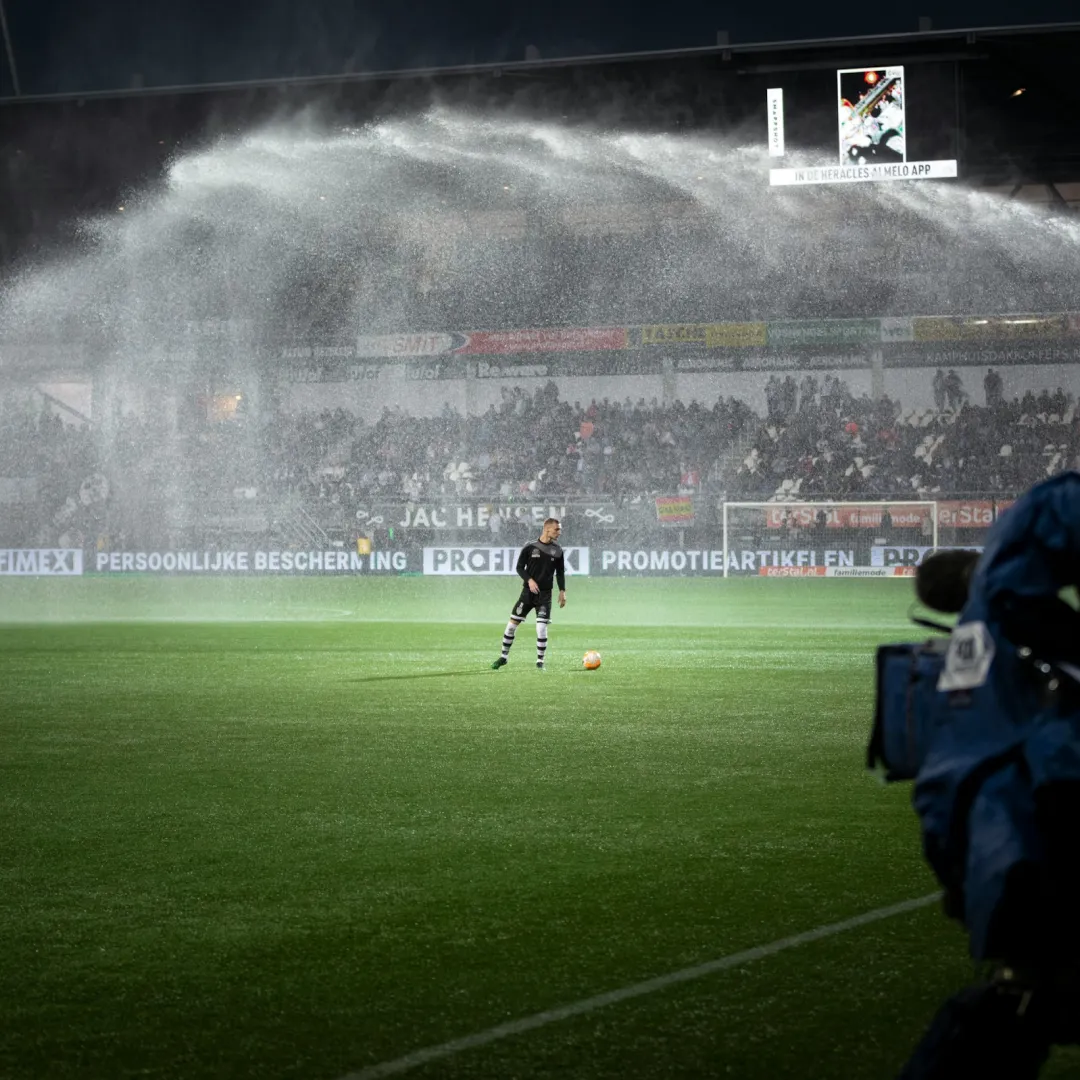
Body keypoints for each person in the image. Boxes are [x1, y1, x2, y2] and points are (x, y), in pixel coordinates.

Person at [897, 472, 1080, 1078]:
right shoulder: (1005, 588)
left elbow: (943, 783)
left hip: (1005, 867)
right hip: (1042, 840)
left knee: (1014, 1005)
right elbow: (1059, 506)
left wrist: (956, 876)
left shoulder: (963, 666)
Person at [491, 517, 566, 671]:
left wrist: (562, 591)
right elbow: (519, 568)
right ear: (547, 529)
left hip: (545, 595)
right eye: (557, 529)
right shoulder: (530, 547)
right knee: (511, 626)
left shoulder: (558, 550)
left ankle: (540, 661)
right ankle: (504, 657)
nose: (559, 532)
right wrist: (530, 580)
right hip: (527, 594)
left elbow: (560, 573)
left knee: (541, 628)